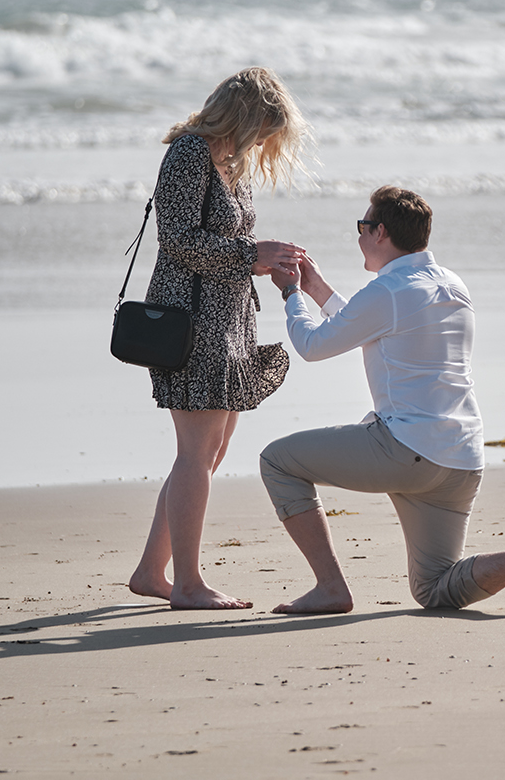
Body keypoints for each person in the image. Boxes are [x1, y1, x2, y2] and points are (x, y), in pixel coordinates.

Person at [260, 185, 505, 614]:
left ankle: (330, 587)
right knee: (434, 589)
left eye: (362, 226)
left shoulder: (387, 291)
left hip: (407, 451)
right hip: (462, 459)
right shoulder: (451, 283)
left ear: (380, 232)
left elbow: (313, 345)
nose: (359, 236)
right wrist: (317, 289)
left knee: (277, 461)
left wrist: (291, 294)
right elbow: (376, 324)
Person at [128, 68, 308, 610]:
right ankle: (187, 582)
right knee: (196, 452)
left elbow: (225, 241)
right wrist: (253, 254)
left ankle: (151, 571)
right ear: (244, 116)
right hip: (190, 322)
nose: (266, 142)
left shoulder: (230, 160)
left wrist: (266, 261)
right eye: (265, 128)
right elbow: (177, 240)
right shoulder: (189, 153)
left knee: (209, 451)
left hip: (228, 321)